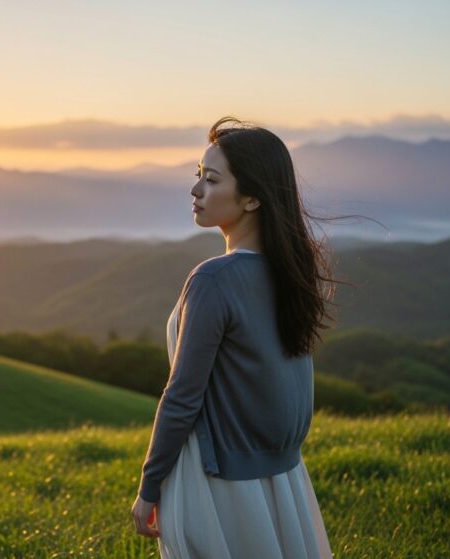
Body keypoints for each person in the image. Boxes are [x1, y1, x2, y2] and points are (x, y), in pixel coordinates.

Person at [130, 116, 338, 558]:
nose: (195, 190)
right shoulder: (292, 276)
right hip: (284, 480)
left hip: (217, 481)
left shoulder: (214, 279)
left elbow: (183, 394)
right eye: (197, 177)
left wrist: (150, 486)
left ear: (251, 198)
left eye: (210, 179)